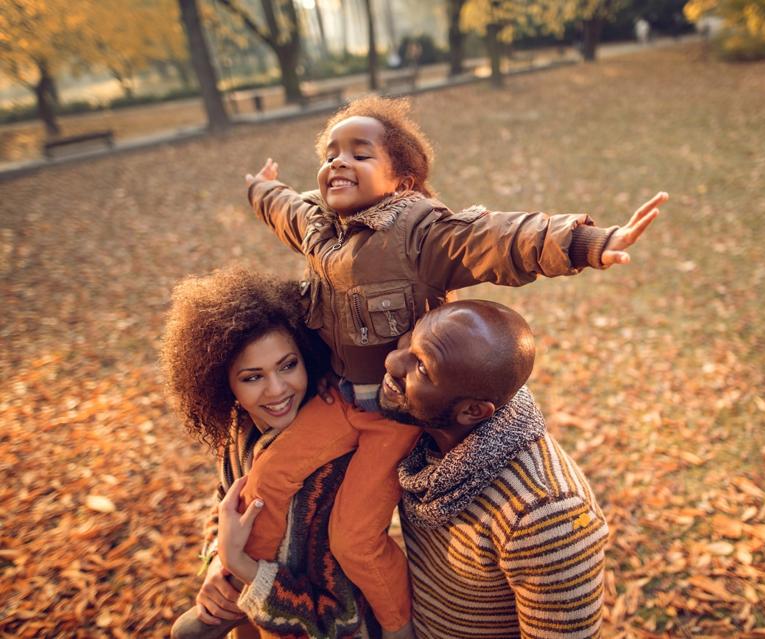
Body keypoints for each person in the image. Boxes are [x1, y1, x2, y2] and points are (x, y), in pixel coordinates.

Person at [238, 96, 665, 637]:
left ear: (403, 182)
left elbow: (497, 239)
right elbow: (284, 208)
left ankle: (393, 626)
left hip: (393, 416)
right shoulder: (320, 228)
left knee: (352, 534)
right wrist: (259, 187)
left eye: (360, 154)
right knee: (268, 474)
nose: (338, 163)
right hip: (339, 398)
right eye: (330, 153)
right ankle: (235, 593)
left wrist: (586, 243)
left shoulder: (419, 234)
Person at [161, 265, 378, 639]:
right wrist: (216, 560)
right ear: (222, 383)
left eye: (288, 366)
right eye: (252, 377)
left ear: (307, 356)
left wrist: (243, 567)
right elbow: (225, 502)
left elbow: (338, 618)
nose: (276, 390)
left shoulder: (333, 465)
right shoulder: (239, 431)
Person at [378, 299, 609, 638]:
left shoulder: (544, 514)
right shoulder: (425, 437)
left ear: (473, 412)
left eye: (422, 368)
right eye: (410, 343)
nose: (393, 362)